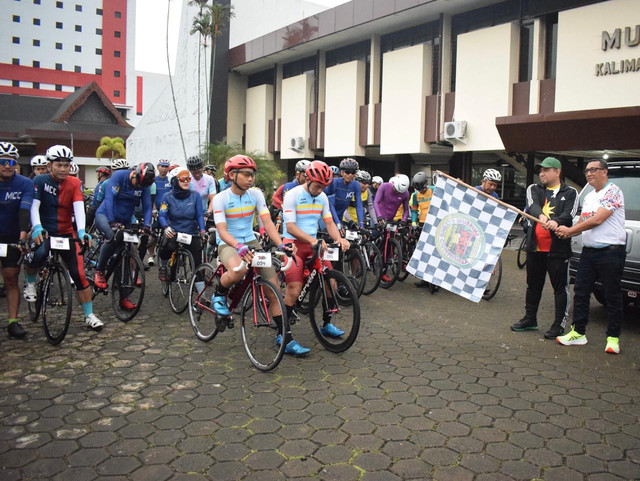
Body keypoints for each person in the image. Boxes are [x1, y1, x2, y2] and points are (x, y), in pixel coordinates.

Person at [210, 155, 291, 337]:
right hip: (228, 242)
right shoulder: (220, 198)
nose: (251, 179)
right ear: (231, 175)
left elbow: (268, 223)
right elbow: (222, 231)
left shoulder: (255, 194)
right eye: (246, 174)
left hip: (251, 241)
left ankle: (285, 337)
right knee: (238, 271)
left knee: (274, 290)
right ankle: (219, 293)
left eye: (252, 175)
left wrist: (282, 244)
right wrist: (237, 245)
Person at [25, 145, 103, 330]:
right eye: (59, 165)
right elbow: (34, 206)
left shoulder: (75, 183)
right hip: (45, 230)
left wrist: (82, 231)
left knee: (79, 274)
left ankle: (89, 315)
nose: (62, 169)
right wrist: (36, 227)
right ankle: (29, 282)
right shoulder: (40, 180)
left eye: (66, 165)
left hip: (66, 232)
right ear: (50, 165)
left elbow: (78, 207)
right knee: (40, 252)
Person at [554, 159, 626, 354]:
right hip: (589, 252)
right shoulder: (589, 197)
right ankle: (578, 332)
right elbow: (585, 221)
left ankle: (612, 338)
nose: (589, 173)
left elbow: (598, 219)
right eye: (587, 170)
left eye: (594, 170)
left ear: (605, 172)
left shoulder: (613, 191)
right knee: (581, 291)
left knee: (612, 295)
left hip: (611, 251)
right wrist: (568, 231)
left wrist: (570, 230)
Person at [282, 161, 351, 355]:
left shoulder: (322, 198)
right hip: (294, 243)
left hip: (314, 245)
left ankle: (326, 323)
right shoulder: (293, 195)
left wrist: (339, 239)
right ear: (308, 178)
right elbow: (290, 227)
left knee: (331, 282)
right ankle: (283, 334)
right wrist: (313, 240)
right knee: (294, 290)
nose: (320, 190)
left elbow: (329, 223)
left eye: (324, 186)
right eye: (318, 185)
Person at [510, 157, 578, 339]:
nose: (541, 173)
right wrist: (542, 216)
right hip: (535, 248)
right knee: (533, 285)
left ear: (557, 171)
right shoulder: (534, 188)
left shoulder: (570, 192)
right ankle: (530, 319)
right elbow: (532, 206)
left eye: (546, 170)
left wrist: (555, 221)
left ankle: (558, 325)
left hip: (558, 250)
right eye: (540, 170)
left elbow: (569, 214)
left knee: (560, 288)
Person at [92, 162, 155, 311]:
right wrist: (113, 221)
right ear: (134, 174)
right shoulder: (120, 177)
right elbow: (109, 199)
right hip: (105, 215)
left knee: (126, 256)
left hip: (126, 220)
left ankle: (123, 297)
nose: (137, 187)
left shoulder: (143, 185)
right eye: (136, 183)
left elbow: (147, 206)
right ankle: (99, 270)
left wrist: (146, 225)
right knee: (112, 236)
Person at [0, 142, 34, 338]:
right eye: (3, 161)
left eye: (11, 162)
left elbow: (25, 210)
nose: (7, 166)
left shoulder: (24, 183)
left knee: (11, 278)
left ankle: (13, 321)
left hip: (13, 235)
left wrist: (22, 237)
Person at [157, 167, 206, 282]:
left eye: (188, 178)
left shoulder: (195, 195)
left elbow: (199, 215)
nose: (186, 181)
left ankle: (201, 294)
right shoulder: (167, 197)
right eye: (183, 179)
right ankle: (164, 266)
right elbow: (162, 215)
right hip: (174, 231)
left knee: (198, 261)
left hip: (191, 232)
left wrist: (203, 231)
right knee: (168, 246)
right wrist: (166, 227)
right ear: (174, 181)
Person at [325, 158, 365, 230]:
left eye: (353, 172)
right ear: (341, 172)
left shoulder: (356, 185)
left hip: (339, 217)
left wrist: (361, 225)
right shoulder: (335, 182)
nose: (350, 175)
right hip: (327, 216)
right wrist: (337, 223)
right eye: (347, 172)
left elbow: (359, 205)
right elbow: (331, 205)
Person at [146, 159, 172, 267]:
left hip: (168, 212)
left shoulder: (170, 181)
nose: (164, 169)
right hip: (156, 211)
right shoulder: (154, 181)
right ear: (158, 167)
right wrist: (153, 209)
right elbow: (151, 197)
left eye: (166, 167)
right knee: (154, 234)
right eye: (162, 166)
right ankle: (151, 255)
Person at [410, 171, 434, 288]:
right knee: (424, 252)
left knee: (434, 252)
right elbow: (414, 210)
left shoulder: (434, 190)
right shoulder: (415, 195)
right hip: (422, 223)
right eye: (419, 189)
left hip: (435, 223)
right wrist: (414, 222)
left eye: (423, 188)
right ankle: (424, 278)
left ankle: (435, 278)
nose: (421, 191)